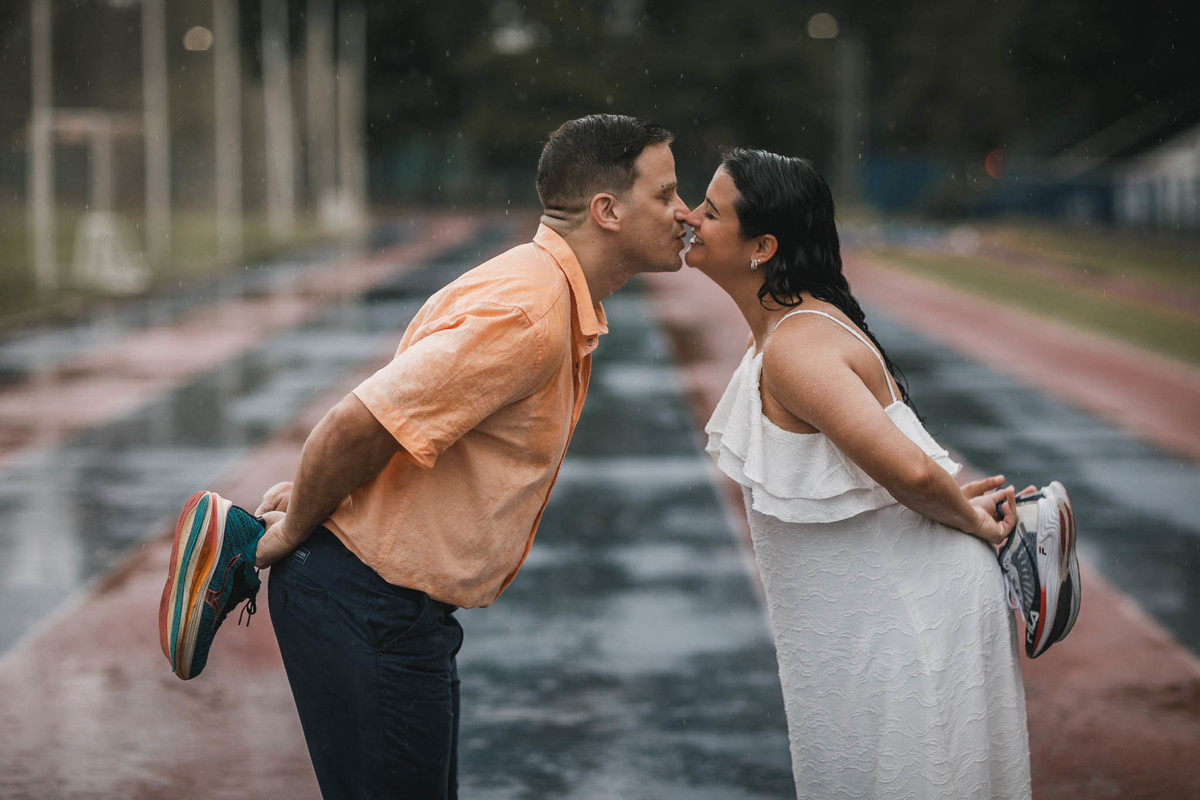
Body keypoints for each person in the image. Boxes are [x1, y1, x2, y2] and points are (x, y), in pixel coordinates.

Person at [160, 114, 689, 799]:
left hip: (384, 607)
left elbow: (413, 427)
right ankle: (243, 541)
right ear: (607, 210)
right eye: (667, 192)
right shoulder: (528, 314)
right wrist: (295, 529)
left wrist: (332, 494)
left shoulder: (532, 287)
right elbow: (356, 423)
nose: (685, 212)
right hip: (367, 607)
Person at [684, 147, 1031, 798]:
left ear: (761, 246)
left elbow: (915, 476)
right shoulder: (792, 330)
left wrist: (973, 522)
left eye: (710, 210)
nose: (690, 218)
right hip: (879, 621)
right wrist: (960, 504)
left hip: (907, 623)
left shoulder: (795, 346)